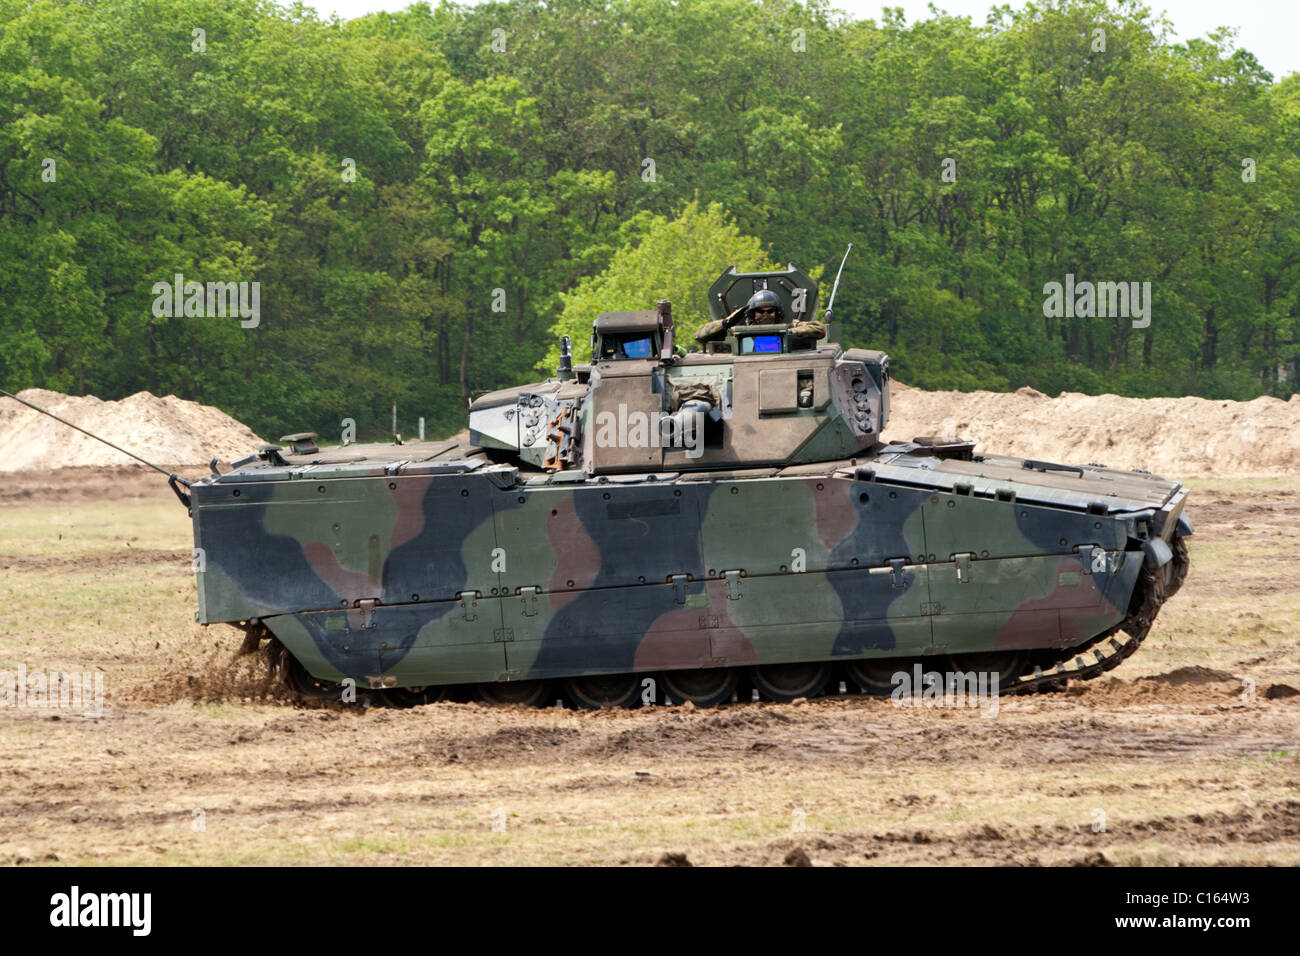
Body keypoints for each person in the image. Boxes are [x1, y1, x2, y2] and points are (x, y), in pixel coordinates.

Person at [693, 289, 826, 345]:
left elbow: (820, 330)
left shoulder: (788, 329)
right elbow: (699, 335)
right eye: (760, 311)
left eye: (770, 311)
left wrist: (791, 330)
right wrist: (726, 322)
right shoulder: (737, 333)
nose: (766, 315)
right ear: (752, 314)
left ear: (778, 313)